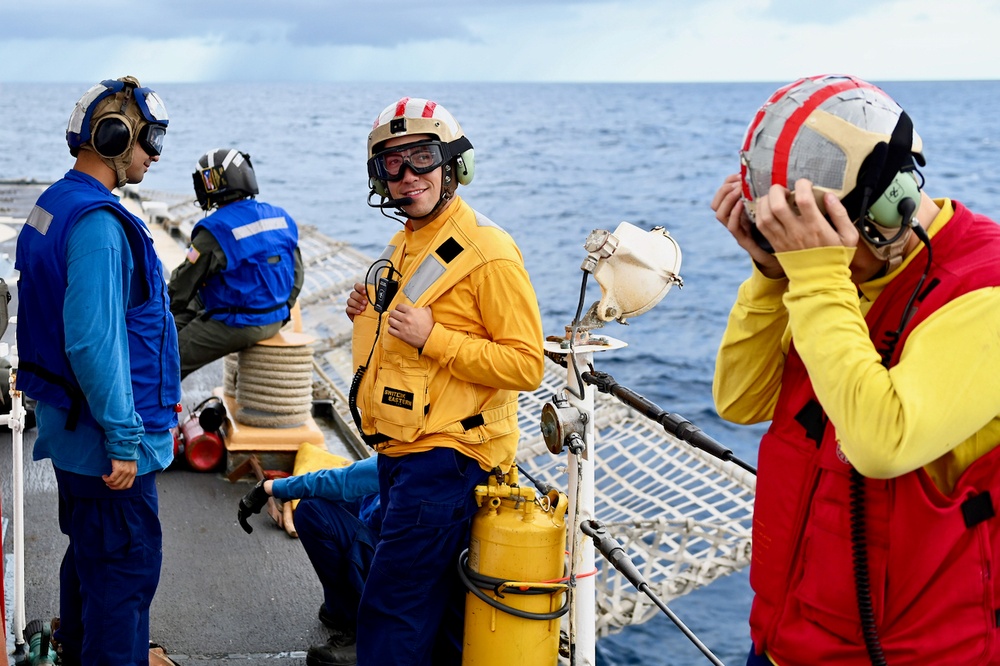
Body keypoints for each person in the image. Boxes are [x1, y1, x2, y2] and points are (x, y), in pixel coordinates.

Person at [710, 74, 1000, 665]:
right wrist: (771, 276)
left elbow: (881, 443)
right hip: (782, 642)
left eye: (816, 233)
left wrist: (816, 274)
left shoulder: (984, 289)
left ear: (891, 206)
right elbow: (739, 401)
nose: (805, 249)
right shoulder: (828, 280)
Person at [344, 96, 545, 665]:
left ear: (455, 163)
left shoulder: (489, 253)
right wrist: (368, 310)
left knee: (392, 613)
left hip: (447, 461)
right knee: (435, 620)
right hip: (404, 453)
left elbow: (526, 364)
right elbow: (404, 327)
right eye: (393, 164)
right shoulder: (408, 243)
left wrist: (436, 338)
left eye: (423, 158)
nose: (408, 178)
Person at [14, 76, 181, 665]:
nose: (154, 156)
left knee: (90, 561)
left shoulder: (53, 204)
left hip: (70, 432)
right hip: (104, 442)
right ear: (114, 137)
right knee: (124, 580)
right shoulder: (100, 229)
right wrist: (124, 438)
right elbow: (91, 342)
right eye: (147, 142)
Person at [168, 148, 303, 378]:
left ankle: (151, 411)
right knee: (185, 314)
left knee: (165, 361)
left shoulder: (216, 229)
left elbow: (183, 284)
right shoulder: (279, 216)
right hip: (277, 316)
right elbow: (297, 275)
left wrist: (160, 312)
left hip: (239, 324)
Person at [237, 455, 381, 666]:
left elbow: (343, 481)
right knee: (340, 498)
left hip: (402, 573)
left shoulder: (414, 451)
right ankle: (344, 605)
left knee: (313, 511)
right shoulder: (417, 439)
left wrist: (268, 488)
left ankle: (368, 633)